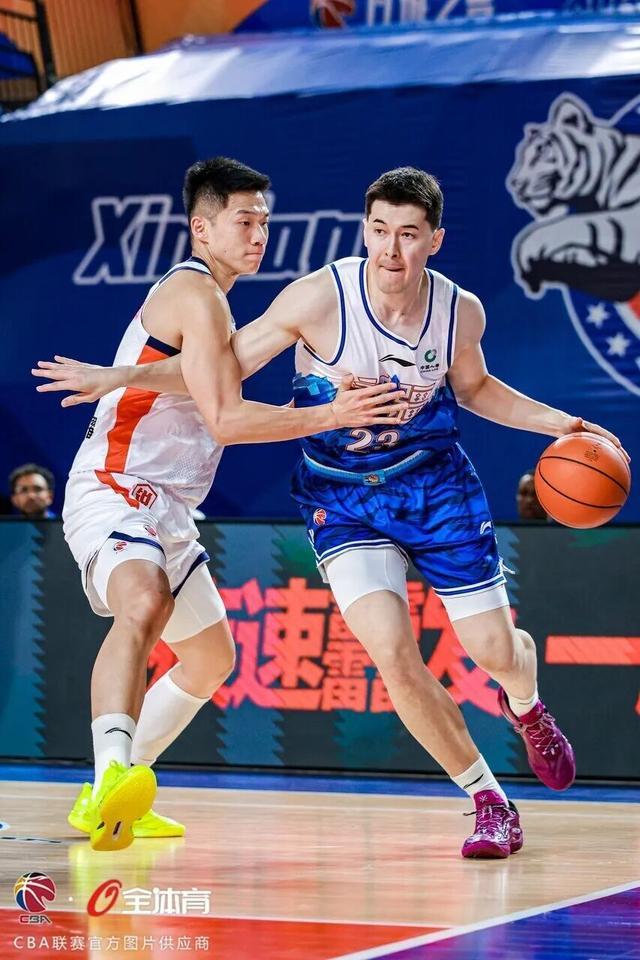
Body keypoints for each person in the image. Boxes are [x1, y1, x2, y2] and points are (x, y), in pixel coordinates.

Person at [34, 166, 627, 859]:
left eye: (409, 234)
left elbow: (475, 387)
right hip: (340, 499)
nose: (392, 249)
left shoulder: (458, 310)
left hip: (433, 488)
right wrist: (128, 376)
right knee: (391, 655)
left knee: (495, 653)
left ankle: (525, 705)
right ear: (364, 231)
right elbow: (220, 381)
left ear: (435, 239)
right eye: (380, 231)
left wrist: (562, 424)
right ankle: (489, 801)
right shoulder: (313, 297)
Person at [33, 157, 405, 852]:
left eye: (264, 221)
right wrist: (331, 416)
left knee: (209, 660)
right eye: (244, 221)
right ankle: (111, 774)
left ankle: (113, 796)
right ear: (201, 228)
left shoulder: (213, 304)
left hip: (169, 506)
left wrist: (122, 372)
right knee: (143, 602)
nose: (259, 234)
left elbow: (203, 373)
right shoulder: (194, 291)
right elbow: (228, 418)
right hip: (116, 485)